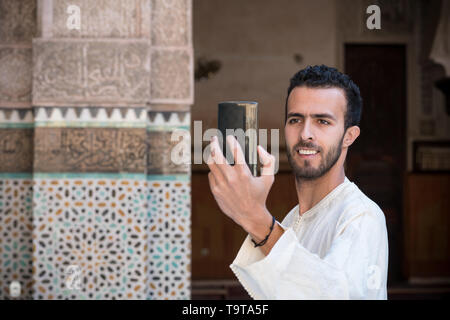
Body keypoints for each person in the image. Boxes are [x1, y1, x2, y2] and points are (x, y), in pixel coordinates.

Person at [206, 65, 389, 299]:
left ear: (349, 136)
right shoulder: (292, 220)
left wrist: (256, 219)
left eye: (322, 121)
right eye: (295, 120)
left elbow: (335, 294)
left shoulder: (361, 216)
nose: (305, 134)